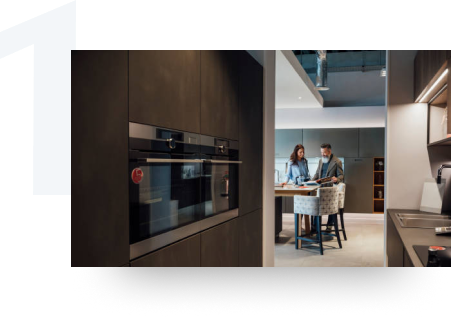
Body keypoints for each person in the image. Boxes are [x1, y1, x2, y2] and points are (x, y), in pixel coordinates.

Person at [311, 143, 344, 232]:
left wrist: (336, 179)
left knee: (332, 206)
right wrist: (311, 181)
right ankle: (315, 227)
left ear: (329, 151)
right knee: (315, 205)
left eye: (324, 152)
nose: (322, 154)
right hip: (319, 189)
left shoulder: (337, 162)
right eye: (321, 152)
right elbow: (317, 174)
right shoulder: (321, 161)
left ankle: (329, 226)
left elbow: (341, 176)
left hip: (330, 190)